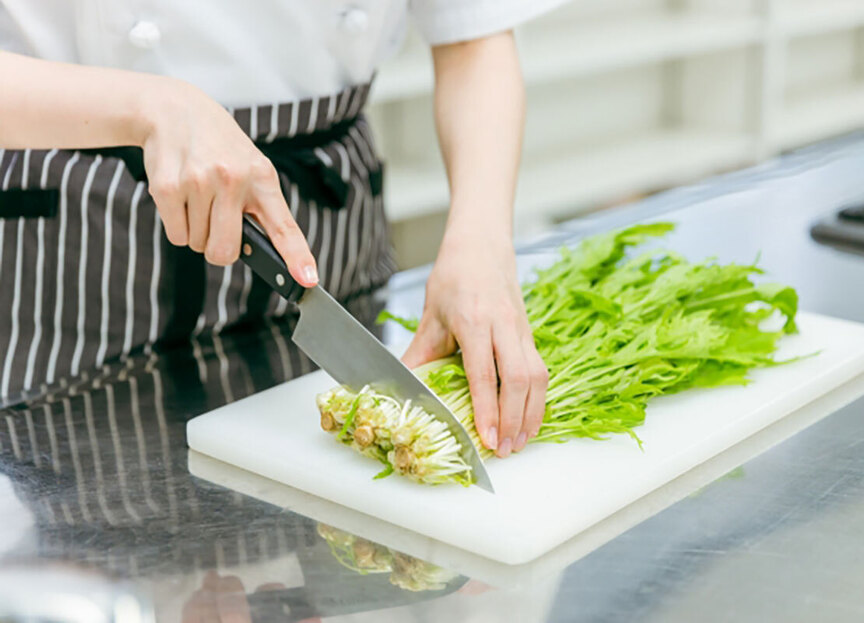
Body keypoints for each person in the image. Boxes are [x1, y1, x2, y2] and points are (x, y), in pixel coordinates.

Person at [0, 2, 564, 458]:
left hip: (326, 230)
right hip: (83, 240)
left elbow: (473, 34)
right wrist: (150, 105)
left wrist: (482, 239)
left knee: (325, 468)